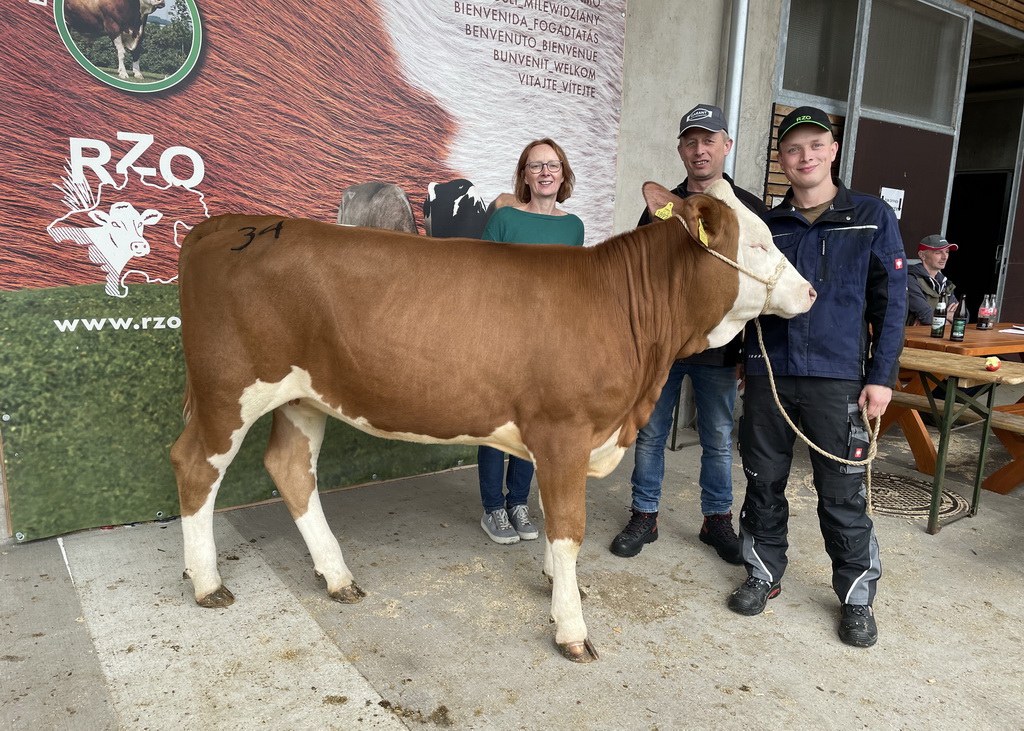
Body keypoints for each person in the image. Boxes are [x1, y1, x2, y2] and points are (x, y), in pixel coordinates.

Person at [730, 106, 907, 648]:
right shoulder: (767, 225)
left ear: (832, 151)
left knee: (842, 492)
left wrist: (882, 378)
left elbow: (892, 304)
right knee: (762, 482)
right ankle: (762, 573)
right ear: (780, 160)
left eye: (815, 145)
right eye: (792, 149)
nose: (804, 156)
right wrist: (743, 361)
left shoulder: (872, 216)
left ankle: (855, 597)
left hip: (839, 381)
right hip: (769, 373)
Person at [609, 103, 767, 564]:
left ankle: (716, 519)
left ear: (726, 146)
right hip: (664, 350)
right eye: (691, 141)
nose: (700, 150)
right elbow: (641, 278)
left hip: (721, 350)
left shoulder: (751, 210)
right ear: (680, 149)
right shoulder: (662, 210)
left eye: (709, 141)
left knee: (718, 436)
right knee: (651, 432)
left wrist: (748, 353)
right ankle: (645, 514)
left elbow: (760, 282)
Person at [477, 137, 585, 544]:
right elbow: (477, 278)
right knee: (497, 425)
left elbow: (573, 288)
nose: (545, 172)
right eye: (536, 165)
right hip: (504, 340)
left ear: (563, 174)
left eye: (552, 165)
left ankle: (518, 502)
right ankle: (492, 509)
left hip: (551, 345)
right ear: (524, 175)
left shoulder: (573, 227)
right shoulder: (505, 221)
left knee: (534, 426)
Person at [906, 234, 959, 326]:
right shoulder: (911, 279)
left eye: (947, 252)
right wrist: (949, 317)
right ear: (922, 255)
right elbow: (927, 316)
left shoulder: (945, 283)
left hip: (938, 336)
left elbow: (963, 316)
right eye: (938, 252)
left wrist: (938, 317)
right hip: (912, 338)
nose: (945, 257)